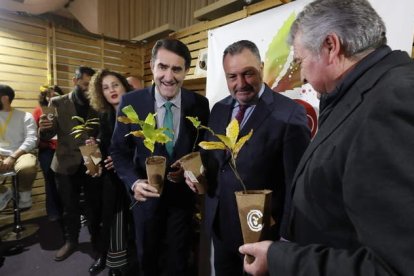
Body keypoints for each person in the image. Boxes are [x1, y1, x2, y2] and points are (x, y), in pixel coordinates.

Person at [239, 0, 414, 275]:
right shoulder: (358, 94)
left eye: (300, 61)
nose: (302, 76)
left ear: (331, 47)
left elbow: (395, 266)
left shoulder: (393, 102)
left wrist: (282, 259)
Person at [185, 40, 310, 275]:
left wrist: (283, 242)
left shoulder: (290, 114)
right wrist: (196, 174)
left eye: (248, 74)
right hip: (221, 228)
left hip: (262, 235)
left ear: (261, 67)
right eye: (232, 76)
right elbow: (212, 160)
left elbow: (297, 184)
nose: (240, 84)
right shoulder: (219, 109)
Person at [111, 38, 210, 276]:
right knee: (148, 259)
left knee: (179, 260)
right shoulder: (131, 102)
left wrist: (196, 168)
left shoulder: (200, 104)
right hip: (146, 202)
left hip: (182, 201)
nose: (169, 76)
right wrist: (133, 182)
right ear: (152, 66)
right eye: (163, 67)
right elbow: (118, 151)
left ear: (186, 70)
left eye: (176, 69)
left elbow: (203, 148)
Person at [38, 66, 103, 266]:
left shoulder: (98, 101)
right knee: (69, 207)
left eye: (91, 86)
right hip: (65, 161)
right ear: (75, 81)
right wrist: (43, 129)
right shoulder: (57, 102)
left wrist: (99, 142)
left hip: (92, 157)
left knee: (95, 205)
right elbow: (47, 136)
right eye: (85, 85)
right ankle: (71, 241)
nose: (88, 89)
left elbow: (103, 130)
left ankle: (98, 242)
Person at [88, 69, 133, 276]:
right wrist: (94, 146)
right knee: (109, 219)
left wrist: (122, 161)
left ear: (125, 86)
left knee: (128, 223)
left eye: (115, 84)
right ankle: (109, 259)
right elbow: (103, 148)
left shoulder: (136, 112)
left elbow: (146, 147)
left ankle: (124, 262)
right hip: (109, 179)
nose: (111, 90)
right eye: (105, 88)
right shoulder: (104, 115)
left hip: (133, 176)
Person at [0, 84, 38, 211]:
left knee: (28, 167)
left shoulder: (25, 116)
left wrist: (12, 156)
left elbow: (32, 139)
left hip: (20, 154)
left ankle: (24, 196)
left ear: (5, 98)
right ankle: (4, 191)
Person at [32, 85, 64, 221]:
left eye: (55, 94)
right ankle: (53, 213)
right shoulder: (38, 111)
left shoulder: (66, 109)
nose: (52, 97)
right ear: (44, 97)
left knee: (66, 182)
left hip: (65, 151)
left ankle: (68, 210)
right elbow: (34, 137)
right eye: (48, 94)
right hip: (47, 151)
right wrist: (41, 131)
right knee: (50, 182)